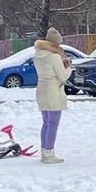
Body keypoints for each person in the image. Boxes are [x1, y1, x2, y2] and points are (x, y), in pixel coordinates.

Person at [33, 27, 72, 164]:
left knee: (46, 123)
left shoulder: (38, 55)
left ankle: (44, 151)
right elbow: (62, 76)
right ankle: (49, 154)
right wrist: (68, 67)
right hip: (53, 91)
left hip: (41, 89)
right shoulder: (55, 56)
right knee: (53, 123)